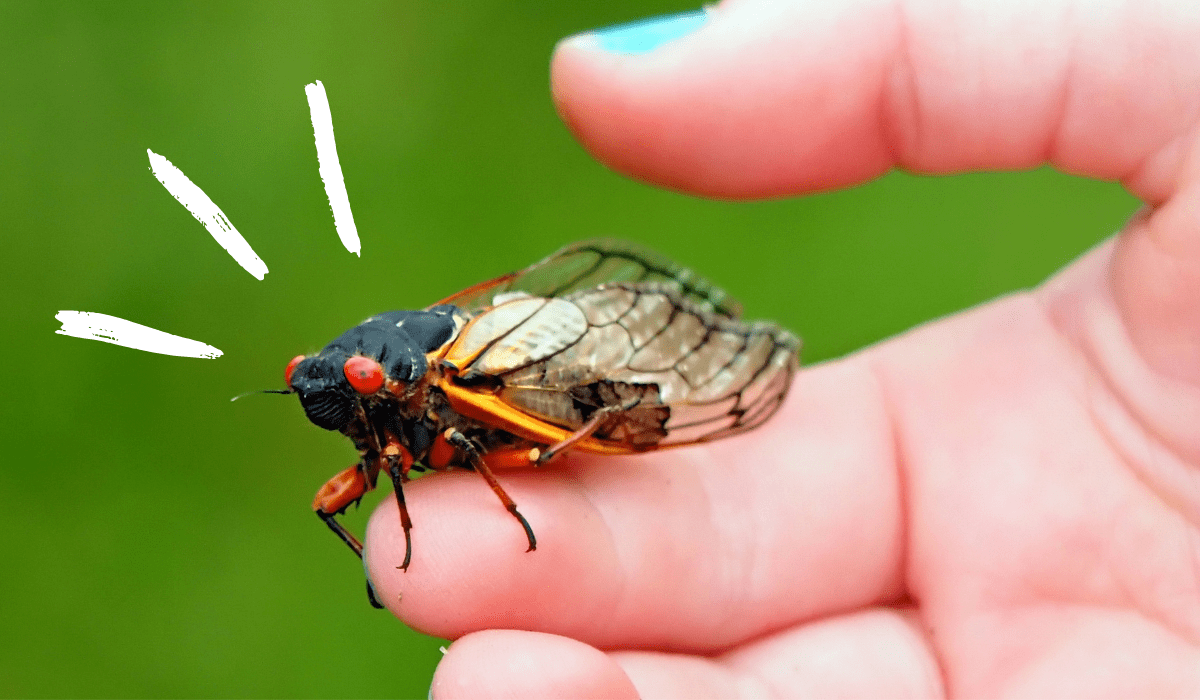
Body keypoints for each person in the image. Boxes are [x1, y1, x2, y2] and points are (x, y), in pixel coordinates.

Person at [366, 1, 1200, 696]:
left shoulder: (436, 385)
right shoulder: (387, 406)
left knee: (549, 426)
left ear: (387, 377)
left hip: (514, 370)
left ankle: (662, 375)